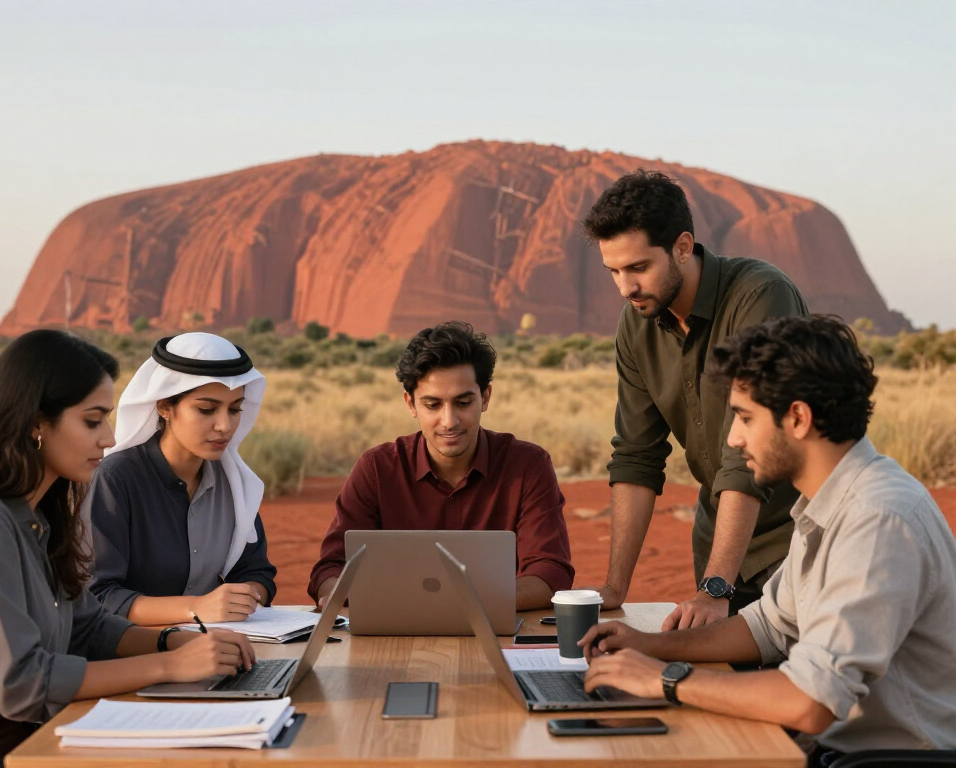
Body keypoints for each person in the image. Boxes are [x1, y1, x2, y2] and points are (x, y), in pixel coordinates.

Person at [579, 315, 956, 762]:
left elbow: (810, 702)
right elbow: (769, 626)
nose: (734, 439)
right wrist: (646, 646)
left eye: (743, 417)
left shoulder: (877, 519)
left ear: (797, 417)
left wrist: (664, 679)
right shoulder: (831, 501)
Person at [0, 330, 255, 757]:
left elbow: (90, 626)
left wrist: (175, 642)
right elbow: (23, 684)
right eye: (92, 420)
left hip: (41, 725)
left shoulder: (40, 513)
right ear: (35, 423)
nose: (107, 437)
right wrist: (168, 666)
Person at [581, 169, 808, 629]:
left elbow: (747, 454)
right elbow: (637, 455)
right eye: (614, 272)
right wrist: (613, 589)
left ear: (682, 247)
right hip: (719, 549)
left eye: (639, 267)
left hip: (795, 545)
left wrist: (713, 590)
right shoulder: (636, 323)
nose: (626, 288)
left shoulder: (761, 296)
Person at [308, 321, 574, 610]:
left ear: (485, 398)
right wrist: (336, 593)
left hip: (495, 634)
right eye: (432, 405)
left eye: (463, 402)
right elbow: (331, 567)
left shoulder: (528, 466)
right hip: (395, 635)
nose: (449, 421)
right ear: (410, 404)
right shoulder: (377, 468)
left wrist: (448, 604)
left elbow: (550, 572)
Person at [87, 332, 277, 625]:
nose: (225, 425)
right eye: (206, 409)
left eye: (235, 409)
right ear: (164, 406)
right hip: (133, 657)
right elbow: (98, 596)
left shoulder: (233, 481)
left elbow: (256, 572)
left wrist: (244, 596)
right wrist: (196, 608)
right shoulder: (116, 479)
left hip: (221, 649)